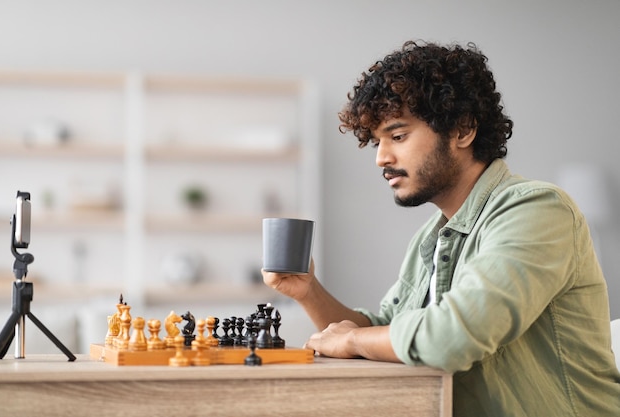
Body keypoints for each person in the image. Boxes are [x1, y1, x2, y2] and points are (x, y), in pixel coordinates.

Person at [262, 40, 620, 417]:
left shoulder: (537, 210)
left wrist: (352, 338)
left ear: (463, 130)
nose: (382, 157)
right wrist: (308, 291)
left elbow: (451, 336)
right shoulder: (433, 236)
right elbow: (384, 329)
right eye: (377, 143)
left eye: (398, 136)